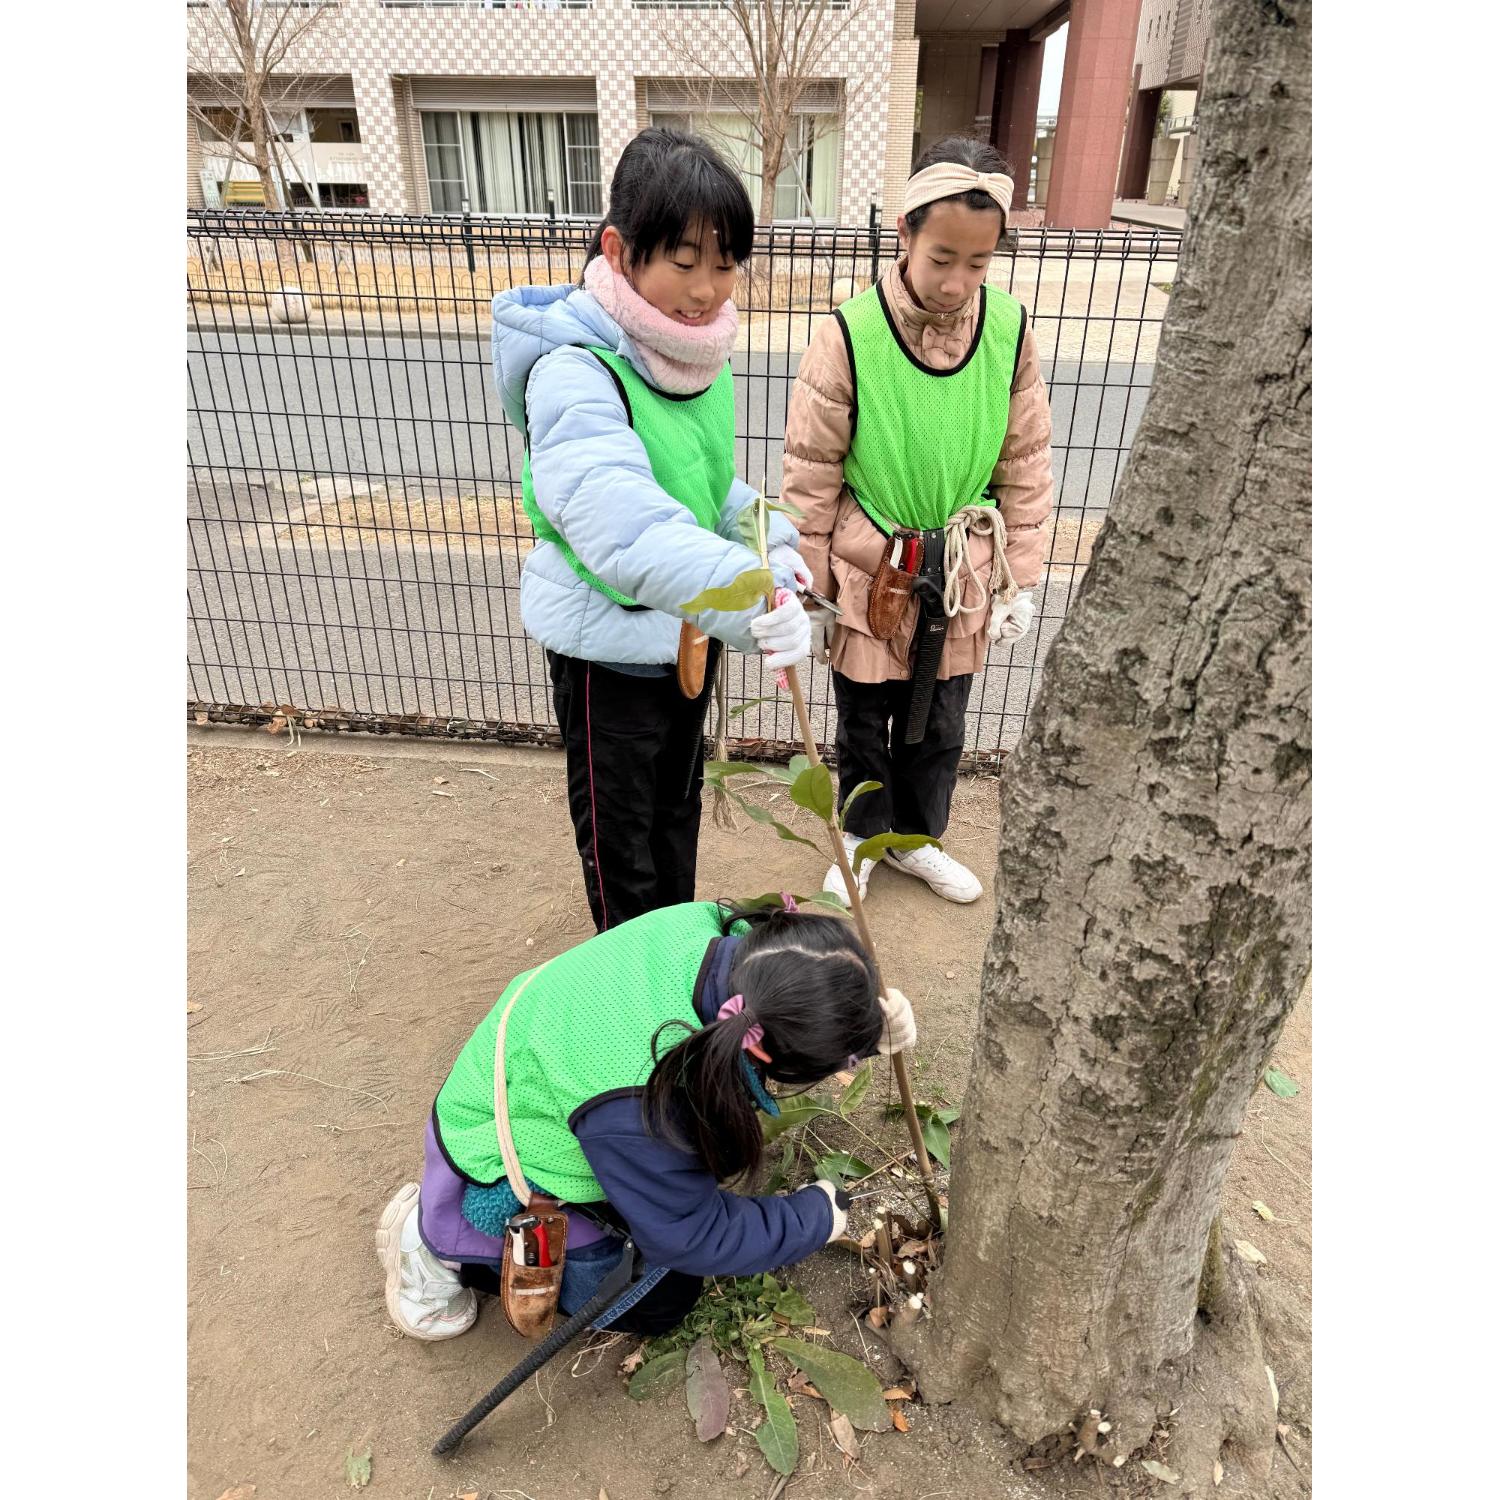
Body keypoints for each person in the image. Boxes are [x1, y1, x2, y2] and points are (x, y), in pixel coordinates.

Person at [492, 127, 814, 932]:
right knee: (622, 845)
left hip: (683, 638)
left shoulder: (691, 355)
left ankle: (674, 963)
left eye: (725, 263)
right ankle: (629, 990)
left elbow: (705, 485)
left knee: (676, 811)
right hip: (608, 651)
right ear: (620, 250)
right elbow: (625, 525)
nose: (706, 289)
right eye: (684, 260)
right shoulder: (575, 370)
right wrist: (751, 597)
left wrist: (777, 552)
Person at [373, 899, 917, 1339]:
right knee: (662, 1298)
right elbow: (690, 1236)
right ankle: (436, 1248)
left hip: (535, 1078)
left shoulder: (709, 927)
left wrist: (865, 1030)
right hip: (494, 1157)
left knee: (664, 1204)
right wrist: (812, 1218)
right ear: (763, 1052)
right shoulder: (646, 1100)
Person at [781, 138, 1054, 907]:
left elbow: (1025, 458)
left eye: (978, 262)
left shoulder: (1008, 330)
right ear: (904, 232)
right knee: (864, 715)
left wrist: (1019, 579)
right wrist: (808, 588)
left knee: (941, 721)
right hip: (870, 562)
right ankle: (864, 837)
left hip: (963, 565)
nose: (957, 281)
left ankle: (918, 839)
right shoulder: (850, 333)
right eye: (941, 257)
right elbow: (811, 470)